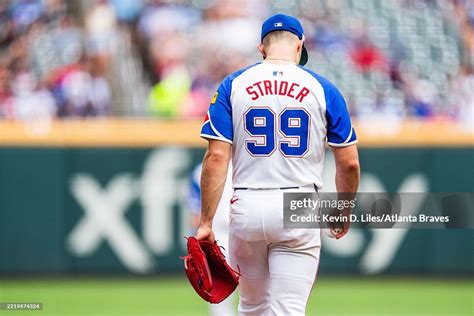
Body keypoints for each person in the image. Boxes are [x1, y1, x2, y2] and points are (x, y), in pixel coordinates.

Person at [196, 14, 360, 315]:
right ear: (299, 46)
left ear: (262, 48)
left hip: (246, 202)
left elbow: (217, 157)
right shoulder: (323, 89)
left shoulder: (233, 85)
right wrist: (343, 209)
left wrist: (206, 221)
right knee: (289, 309)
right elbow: (349, 163)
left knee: (251, 306)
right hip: (298, 204)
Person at [187, 163, 236, 316]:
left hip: (217, 235)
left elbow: (195, 216)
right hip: (226, 233)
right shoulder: (256, 160)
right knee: (262, 298)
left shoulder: (203, 168)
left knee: (220, 298)